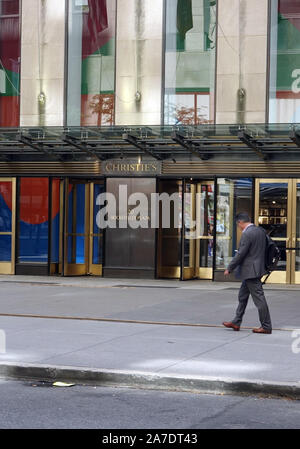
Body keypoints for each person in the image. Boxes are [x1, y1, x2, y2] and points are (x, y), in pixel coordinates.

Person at [223, 212, 272, 334]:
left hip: (251, 270)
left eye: (238, 224)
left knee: (259, 299)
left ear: (240, 222)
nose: (238, 227)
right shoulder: (260, 230)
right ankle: (236, 321)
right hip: (257, 268)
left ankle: (266, 326)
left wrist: (230, 267)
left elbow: (241, 253)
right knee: (242, 296)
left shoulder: (247, 234)